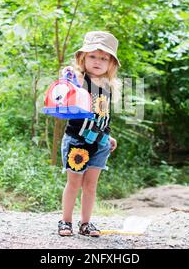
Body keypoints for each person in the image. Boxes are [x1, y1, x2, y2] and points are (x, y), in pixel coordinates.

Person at [58, 31, 121, 237]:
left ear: (111, 63)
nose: (98, 61)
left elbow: (103, 115)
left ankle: (86, 223)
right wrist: (69, 74)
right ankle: (65, 221)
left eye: (104, 58)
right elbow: (67, 81)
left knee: (91, 185)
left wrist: (108, 135)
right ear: (82, 59)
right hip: (77, 140)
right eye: (92, 56)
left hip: (100, 143)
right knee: (74, 181)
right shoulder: (79, 80)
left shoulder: (108, 87)